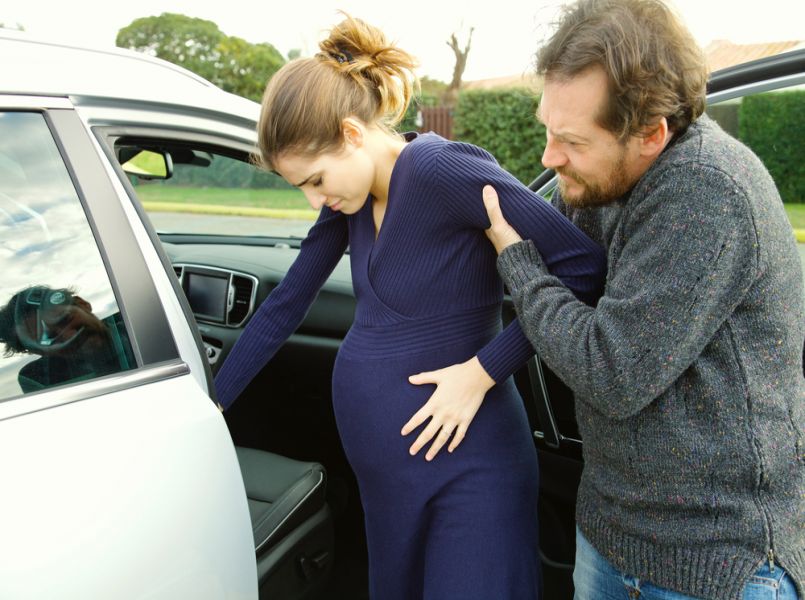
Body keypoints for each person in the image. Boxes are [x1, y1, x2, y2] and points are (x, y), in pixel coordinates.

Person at [213, 14, 606, 600]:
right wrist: (211, 407)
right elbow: (285, 303)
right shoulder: (348, 201)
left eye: (315, 180)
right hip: (390, 479)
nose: (316, 198)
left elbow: (581, 265)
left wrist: (481, 373)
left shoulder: (439, 169)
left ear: (350, 133)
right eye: (304, 189)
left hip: (469, 464)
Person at [478, 0, 805, 598]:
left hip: (715, 567)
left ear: (652, 134)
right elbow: (549, 251)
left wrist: (518, 263)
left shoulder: (707, 191)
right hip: (611, 534)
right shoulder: (602, 176)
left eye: (570, 141)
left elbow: (612, 371)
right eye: (547, 129)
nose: (550, 158)